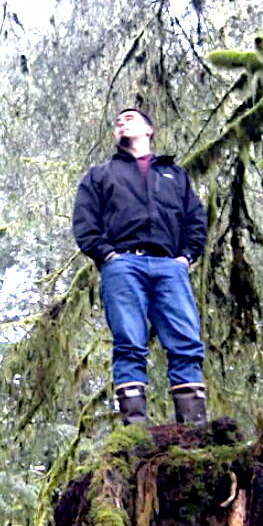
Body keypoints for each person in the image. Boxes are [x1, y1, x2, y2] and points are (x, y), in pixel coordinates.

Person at [71, 107, 208, 426]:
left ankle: (194, 428)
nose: (121, 123)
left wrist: (185, 257)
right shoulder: (100, 175)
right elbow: (84, 222)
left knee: (185, 341)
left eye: (129, 119)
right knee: (129, 343)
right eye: (117, 121)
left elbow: (195, 220)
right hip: (122, 265)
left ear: (150, 130)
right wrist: (108, 255)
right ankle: (135, 430)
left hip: (169, 266)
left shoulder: (175, 175)